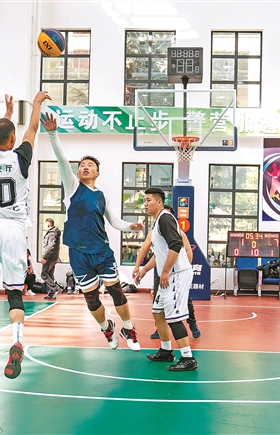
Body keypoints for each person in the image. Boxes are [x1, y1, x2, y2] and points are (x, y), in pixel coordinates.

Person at [42, 112, 144, 352]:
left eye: (90, 165)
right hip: (79, 254)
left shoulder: (101, 196)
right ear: (77, 173)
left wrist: (130, 226)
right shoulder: (72, 187)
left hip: (101, 252)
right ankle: (106, 327)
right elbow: (61, 159)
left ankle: (128, 328)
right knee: (91, 298)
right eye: (82, 166)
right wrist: (53, 134)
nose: (85, 167)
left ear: (97, 173)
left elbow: (114, 221)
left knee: (116, 291)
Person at [0, 91, 48, 380]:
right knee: (15, 293)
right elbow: (33, 129)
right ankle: (17, 343)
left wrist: (7, 114)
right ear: (13, 139)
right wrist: (36, 104)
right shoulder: (21, 158)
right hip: (14, 230)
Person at [135, 188, 197, 371]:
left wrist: (165, 271)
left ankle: (188, 358)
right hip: (169, 274)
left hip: (176, 274)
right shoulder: (158, 223)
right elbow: (160, 253)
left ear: (159, 202)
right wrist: (145, 269)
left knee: (173, 316)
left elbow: (176, 245)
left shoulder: (165, 218)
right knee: (158, 312)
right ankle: (166, 351)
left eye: (148, 200)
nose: (145, 204)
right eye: (144, 200)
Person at [133, 204, 201, 339]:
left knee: (185, 302)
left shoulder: (178, 233)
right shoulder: (154, 233)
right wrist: (141, 268)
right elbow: (149, 252)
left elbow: (188, 251)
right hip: (163, 274)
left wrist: (182, 269)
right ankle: (160, 330)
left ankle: (192, 324)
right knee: (158, 306)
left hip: (177, 274)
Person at [41, 218, 62, 300]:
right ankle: (51, 294)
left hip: (50, 257)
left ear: (48, 224)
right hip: (53, 257)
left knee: (44, 274)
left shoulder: (51, 233)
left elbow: (51, 246)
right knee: (49, 274)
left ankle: (55, 289)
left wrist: (45, 257)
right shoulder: (54, 232)